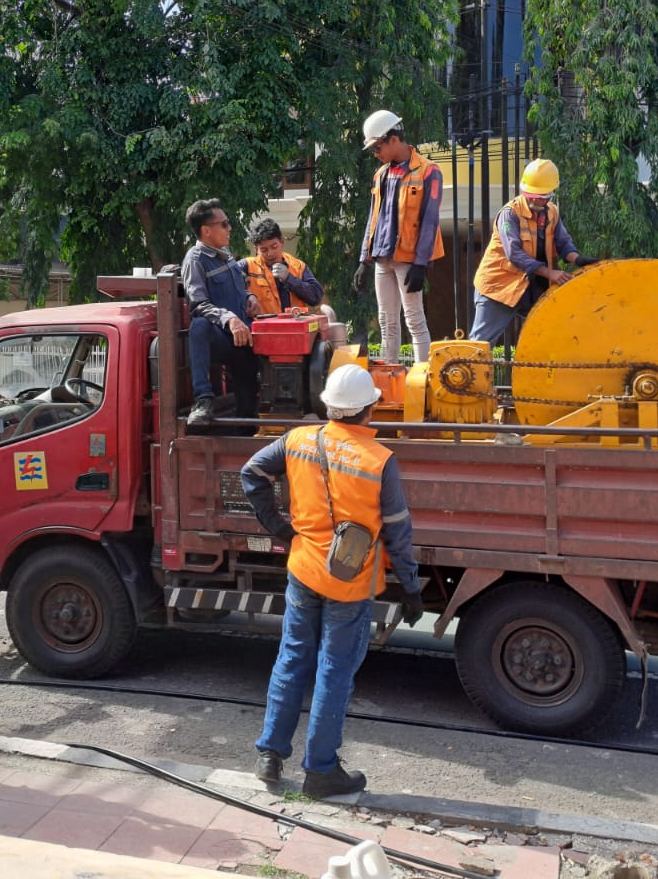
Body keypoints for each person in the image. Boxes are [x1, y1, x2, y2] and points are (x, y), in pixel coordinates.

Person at [239, 364, 424, 798]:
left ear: (328, 405)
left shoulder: (298, 439)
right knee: (334, 671)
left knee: (292, 658)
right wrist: (411, 588)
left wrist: (281, 529)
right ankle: (320, 769)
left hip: (304, 568)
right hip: (350, 580)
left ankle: (270, 755)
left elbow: (252, 474)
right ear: (370, 408)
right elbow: (398, 532)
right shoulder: (379, 461)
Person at [354, 110, 444, 365]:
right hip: (383, 259)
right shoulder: (381, 174)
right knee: (386, 321)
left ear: (393, 139)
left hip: (408, 260)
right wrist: (364, 259)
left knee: (414, 319)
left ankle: (421, 379)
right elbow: (374, 218)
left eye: (377, 147)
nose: (376, 153)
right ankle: (390, 375)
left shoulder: (428, 172)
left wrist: (420, 263)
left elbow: (429, 221)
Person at [470, 158, 588, 346]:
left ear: (550, 195)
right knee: (480, 345)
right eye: (531, 194)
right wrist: (551, 273)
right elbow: (514, 254)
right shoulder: (510, 214)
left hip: (532, 288)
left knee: (551, 336)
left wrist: (578, 258)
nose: (534, 199)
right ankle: (463, 371)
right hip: (499, 288)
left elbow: (563, 242)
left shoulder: (552, 212)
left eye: (541, 196)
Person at [181, 198, 261, 426]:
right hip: (221, 338)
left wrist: (250, 297)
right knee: (199, 326)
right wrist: (229, 319)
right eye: (224, 224)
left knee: (248, 413)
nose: (230, 228)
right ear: (206, 231)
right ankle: (203, 401)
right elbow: (198, 305)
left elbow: (239, 288)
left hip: (243, 337)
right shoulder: (195, 260)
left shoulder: (225, 253)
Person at [240, 215, 325, 316]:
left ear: (282, 242)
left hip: (295, 327)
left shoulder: (298, 266)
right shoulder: (246, 266)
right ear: (256, 249)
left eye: (274, 247)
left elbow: (316, 297)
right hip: (262, 329)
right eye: (264, 250)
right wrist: (248, 295)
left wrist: (289, 279)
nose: (270, 253)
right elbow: (227, 287)